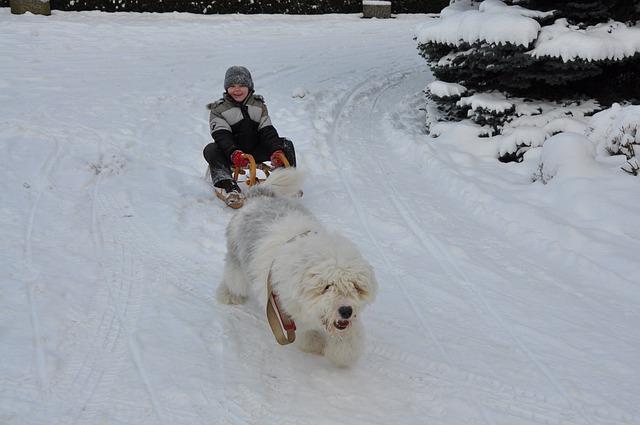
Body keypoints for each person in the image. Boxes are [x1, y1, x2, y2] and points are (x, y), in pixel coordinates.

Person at [204, 66, 296, 208]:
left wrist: (275, 150)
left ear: (250, 87)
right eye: (232, 86)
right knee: (211, 149)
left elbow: (267, 130)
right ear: (226, 88)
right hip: (231, 152)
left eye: (242, 85)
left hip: (256, 148)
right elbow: (222, 135)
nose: (237, 90)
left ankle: (284, 181)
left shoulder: (258, 105)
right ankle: (228, 186)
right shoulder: (219, 109)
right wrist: (233, 153)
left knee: (285, 144)